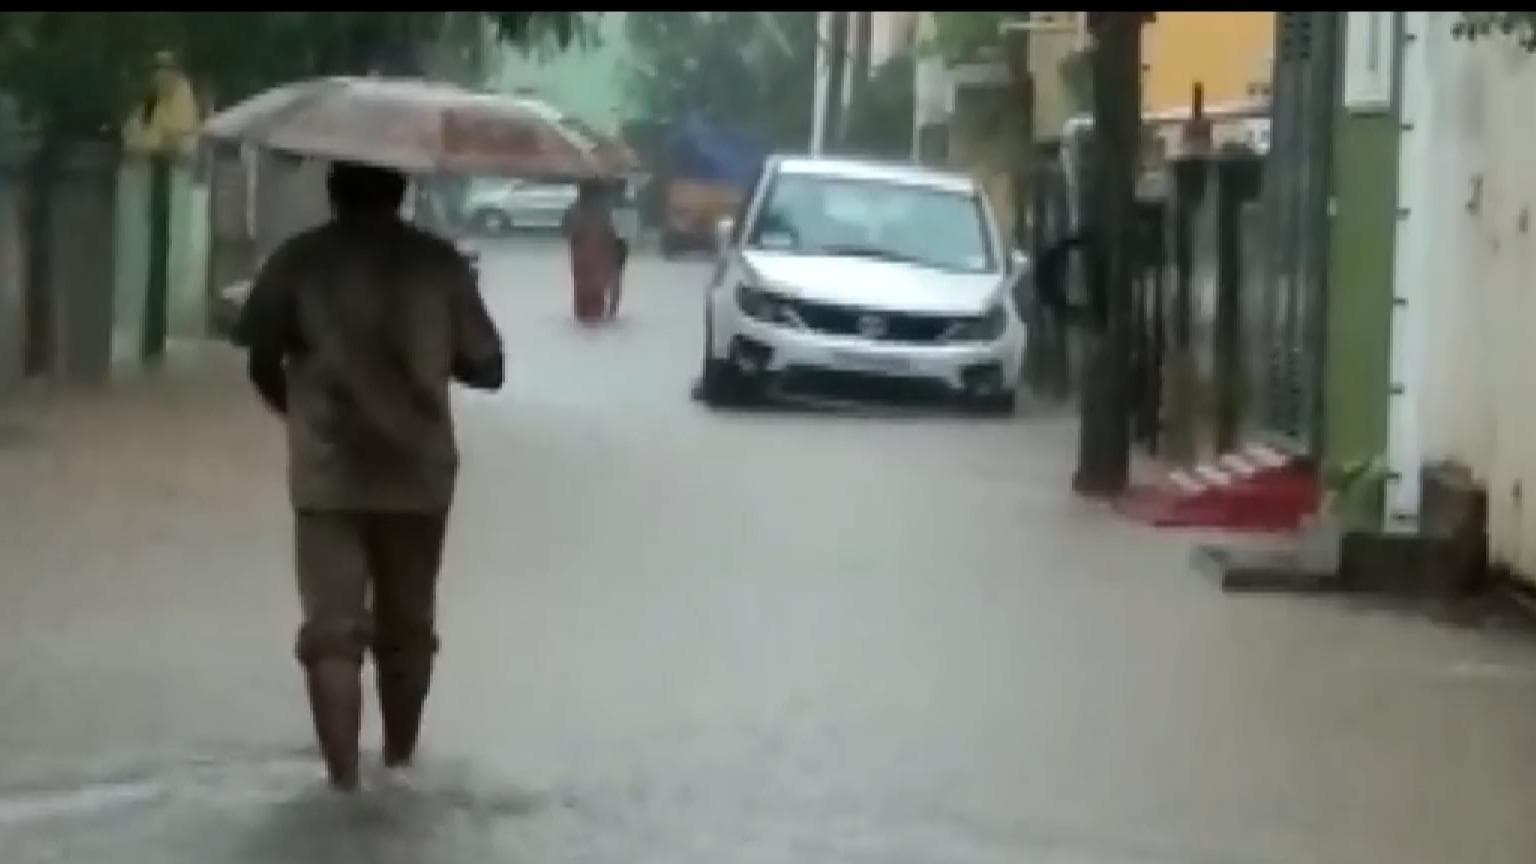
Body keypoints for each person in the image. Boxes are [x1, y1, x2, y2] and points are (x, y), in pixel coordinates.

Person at [236, 160, 504, 791]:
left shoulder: (297, 260)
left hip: (327, 472)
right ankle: (400, 773)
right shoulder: (440, 265)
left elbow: (258, 356)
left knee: (332, 634)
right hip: (419, 474)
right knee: (408, 630)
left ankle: (345, 793)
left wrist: (296, 412)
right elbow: (489, 368)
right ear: (402, 191)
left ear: (332, 192)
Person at [561, 178, 624, 324]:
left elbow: (566, 231)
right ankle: (608, 317)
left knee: (584, 291)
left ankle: (590, 319)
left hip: (582, 259)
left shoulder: (574, 210)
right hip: (601, 257)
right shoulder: (605, 210)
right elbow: (615, 232)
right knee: (601, 290)